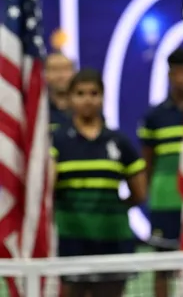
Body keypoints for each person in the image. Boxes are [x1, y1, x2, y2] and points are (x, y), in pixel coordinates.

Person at [50, 68, 147, 297]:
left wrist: (111, 209)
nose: (87, 100)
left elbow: (139, 192)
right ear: (70, 98)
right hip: (71, 241)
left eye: (94, 93)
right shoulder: (57, 142)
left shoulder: (118, 142)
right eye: (80, 93)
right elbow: (47, 192)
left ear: (102, 98)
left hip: (113, 240)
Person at [138, 47, 183, 297]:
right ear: (169, 74)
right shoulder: (154, 117)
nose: (182, 77)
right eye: (177, 72)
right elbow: (147, 163)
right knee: (162, 267)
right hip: (163, 201)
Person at [44, 51, 74, 132]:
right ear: (44, 74)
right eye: (54, 70)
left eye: (66, 69)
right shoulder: (38, 110)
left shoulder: (86, 108)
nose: (60, 75)